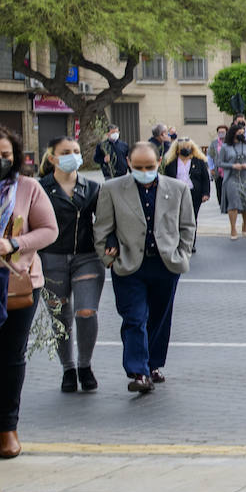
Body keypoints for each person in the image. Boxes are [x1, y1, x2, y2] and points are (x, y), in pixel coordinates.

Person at [94, 142, 195, 395]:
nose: (144, 171)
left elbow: (187, 226)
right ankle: (138, 372)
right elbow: (102, 228)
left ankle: (153, 365)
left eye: (149, 166)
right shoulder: (112, 189)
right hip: (129, 266)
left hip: (164, 264)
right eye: (138, 167)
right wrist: (108, 260)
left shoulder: (178, 189)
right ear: (128, 163)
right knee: (134, 318)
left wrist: (181, 254)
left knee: (160, 318)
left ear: (159, 163)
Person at [0, 127, 57, 458]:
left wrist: (13, 243)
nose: (0, 161)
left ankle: (8, 429)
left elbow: (49, 230)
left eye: (6, 155)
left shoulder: (28, 188)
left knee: (10, 357)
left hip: (18, 282)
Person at [38, 138, 105, 395]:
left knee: (86, 311)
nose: (72, 156)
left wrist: (110, 242)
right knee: (60, 317)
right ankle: (68, 369)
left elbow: (105, 221)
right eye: (66, 153)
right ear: (52, 158)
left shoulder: (92, 188)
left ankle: (85, 365)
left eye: (76, 151)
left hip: (87, 257)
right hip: (51, 259)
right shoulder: (41, 188)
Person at [217, 122, 246, 240]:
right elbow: (219, 162)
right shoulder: (225, 147)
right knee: (233, 203)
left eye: (243, 133)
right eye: (239, 133)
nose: (241, 135)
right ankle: (233, 228)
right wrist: (232, 166)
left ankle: (245, 224)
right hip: (232, 177)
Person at [162, 138, 210, 225]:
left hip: (194, 193)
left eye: (188, 147)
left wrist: (205, 193)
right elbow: (167, 178)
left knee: (192, 217)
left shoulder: (199, 161)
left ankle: (191, 237)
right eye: (183, 147)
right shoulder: (171, 162)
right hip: (176, 193)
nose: (186, 149)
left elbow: (205, 178)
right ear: (177, 149)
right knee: (178, 217)